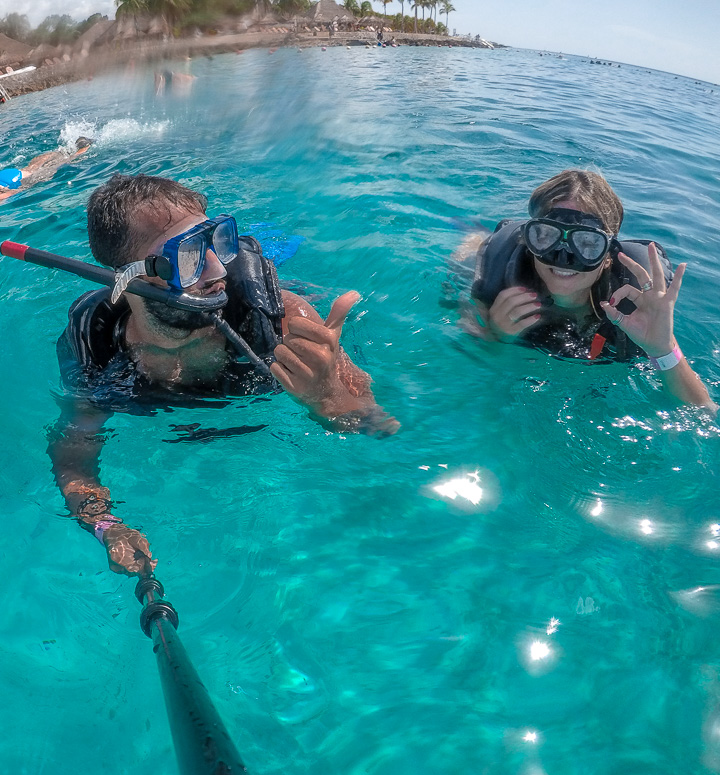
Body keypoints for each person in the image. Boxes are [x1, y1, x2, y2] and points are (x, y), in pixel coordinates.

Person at [48, 174, 398, 576]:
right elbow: (73, 456)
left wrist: (326, 396)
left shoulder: (282, 321)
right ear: (128, 277)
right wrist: (105, 526)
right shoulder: (97, 344)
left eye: (216, 240)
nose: (217, 269)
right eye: (187, 254)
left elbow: (380, 426)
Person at [456, 169, 715, 411]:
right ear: (528, 240)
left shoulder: (635, 304)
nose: (564, 258)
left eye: (588, 243)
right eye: (545, 236)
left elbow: (703, 412)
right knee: (463, 261)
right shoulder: (500, 277)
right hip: (482, 264)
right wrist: (495, 334)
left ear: (608, 255)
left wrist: (662, 349)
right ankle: (473, 240)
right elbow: (471, 375)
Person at [0, 137, 93, 202]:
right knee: (33, 167)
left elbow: (12, 192)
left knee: (58, 165)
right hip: (10, 174)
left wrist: (18, 190)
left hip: (17, 181)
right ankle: (74, 146)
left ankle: (84, 148)